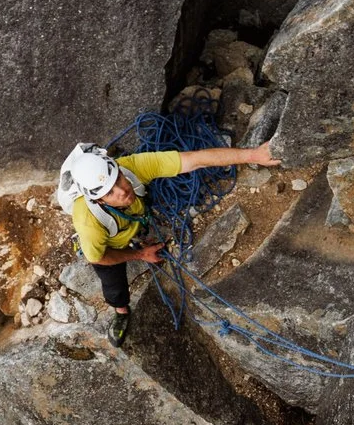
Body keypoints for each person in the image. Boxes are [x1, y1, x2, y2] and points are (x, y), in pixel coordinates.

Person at [55, 140, 278, 343]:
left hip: (130, 222)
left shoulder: (132, 168)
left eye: (118, 179)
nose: (123, 191)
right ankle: (121, 312)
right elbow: (100, 257)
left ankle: (136, 232)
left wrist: (253, 155)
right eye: (110, 192)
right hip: (109, 244)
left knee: (140, 204)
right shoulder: (89, 223)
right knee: (113, 284)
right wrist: (141, 255)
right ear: (98, 199)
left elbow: (194, 159)